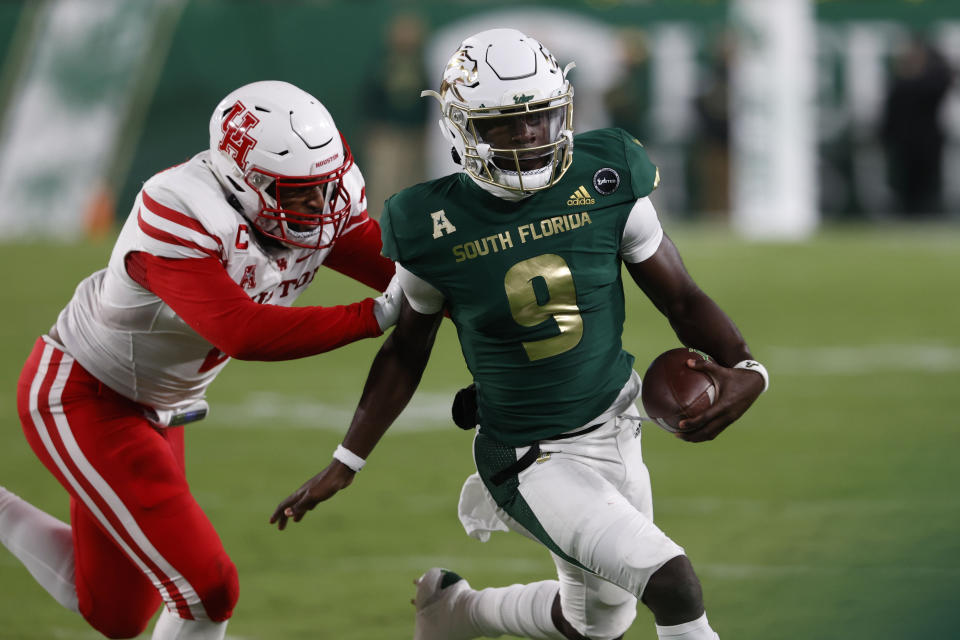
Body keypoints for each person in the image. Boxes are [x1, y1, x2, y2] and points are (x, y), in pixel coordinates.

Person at [271, 29, 769, 640]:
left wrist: (747, 370)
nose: (528, 136)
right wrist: (345, 461)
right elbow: (407, 351)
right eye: (505, 124)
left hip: (618, 420)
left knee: (600, 622)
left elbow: (682, 298)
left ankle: (456, 613)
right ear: (462, 128)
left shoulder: (606, 175)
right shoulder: (430, 224)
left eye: (540, 117)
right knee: (672, 582)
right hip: (531, 455)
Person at [1, 80, 400, 640]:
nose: (323, 204)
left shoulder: (318, 199)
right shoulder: (178, 208)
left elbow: (402, 273)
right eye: (300, 191)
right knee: (206, 589)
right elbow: (243, 332)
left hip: (163, 405)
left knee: (115, 614)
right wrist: (376, 316)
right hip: (85, 398)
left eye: (328, 184)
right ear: (244, 181)